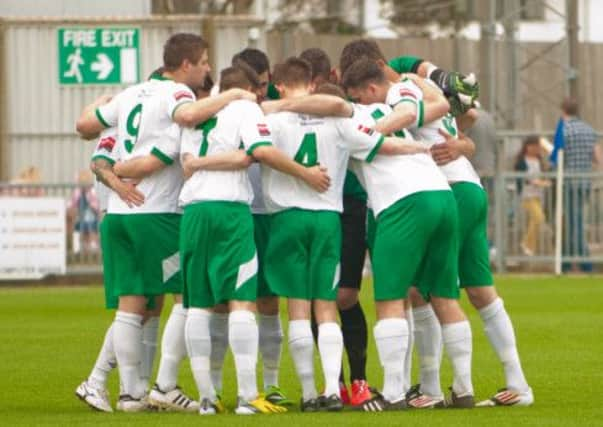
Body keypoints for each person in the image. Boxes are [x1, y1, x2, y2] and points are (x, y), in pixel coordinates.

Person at [75, 32, 256, 412]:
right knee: (186, 298)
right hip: (155, 211)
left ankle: (129, 392)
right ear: (186, 65)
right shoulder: (179, 95)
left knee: (136, 305)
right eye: (204, 62)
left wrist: (110, 172)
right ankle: (164, 384)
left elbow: (85, 125)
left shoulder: (130, 94)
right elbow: (172, 137)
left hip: (120, 214)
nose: (207, 69)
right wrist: (233, 95)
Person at [260, 57, 427, 413]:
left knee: (298, 309)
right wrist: (417, 149)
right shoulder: (336, 119)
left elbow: (259, 151)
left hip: (288, 217)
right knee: (326, 308)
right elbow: (379, 142)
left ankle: (309, 395)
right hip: (327, 219)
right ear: (312, 83)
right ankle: (332, 390)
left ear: (281, 85)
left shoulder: (272, 117)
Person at [178, 63, 329, 415]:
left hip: (193, 211)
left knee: (199, 304)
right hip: (230, 212)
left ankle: (207, 399)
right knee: (242, 301)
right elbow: (253, 153)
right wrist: (236, 159)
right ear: (250, 89)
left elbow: (188, 164)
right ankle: (248, 397)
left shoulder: (198, 112)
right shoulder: (246, 108)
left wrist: (201, 163)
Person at [338, 58, 476, 411]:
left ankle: (395, 394)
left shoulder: (351, 118)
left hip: (403, 202)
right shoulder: (399, 95)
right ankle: (463, 389)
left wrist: (383, 134)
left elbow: (380, 143)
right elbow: (444, 104)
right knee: (445, 296)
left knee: (389, 298)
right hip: (442, 196)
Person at [558, 98, 598, 272]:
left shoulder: (564, 129)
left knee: (573, 222)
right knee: (576, 219)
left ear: (563, 111)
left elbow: (558, 156)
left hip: (569, 180)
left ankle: (583, 261)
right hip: (585, 180)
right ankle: (568, 260)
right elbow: (597, 157)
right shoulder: (589, 129)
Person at [515, 135, 550, 256]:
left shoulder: (539, 160)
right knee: (539, 217)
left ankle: (530, 247)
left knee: (536, 220)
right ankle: (526, 243)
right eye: (534, 146)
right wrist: (537, 182)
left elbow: (545, 173)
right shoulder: (521, 161)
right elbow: (522, 178)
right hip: (527, 195)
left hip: (538, 195)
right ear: (528, 147)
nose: (536, 149)